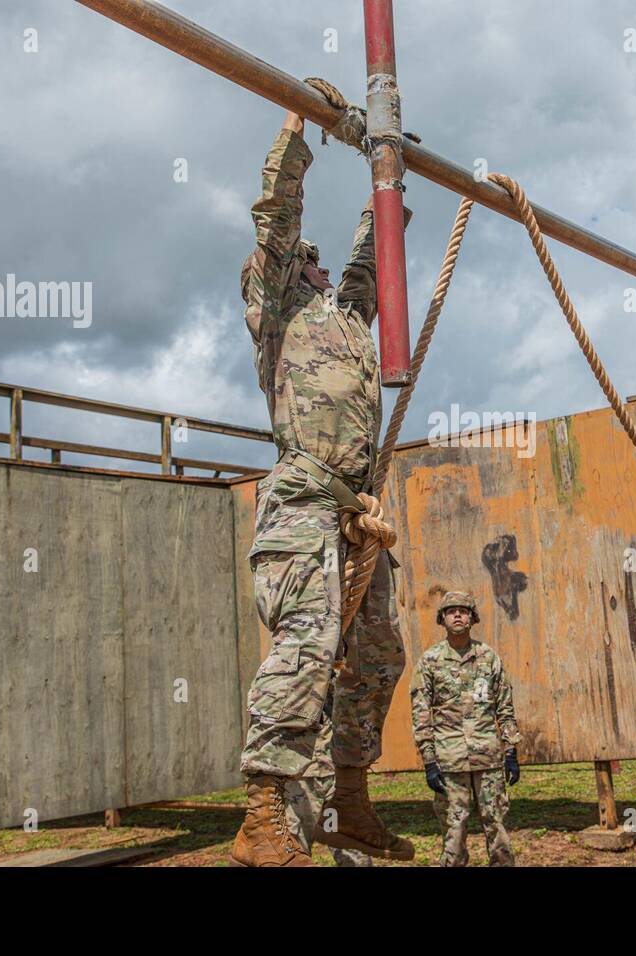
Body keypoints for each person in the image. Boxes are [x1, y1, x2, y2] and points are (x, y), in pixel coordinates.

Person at [232, 110, 413, 867]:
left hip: (354, 514)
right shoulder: (279, 315)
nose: (316, 266)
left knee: (377, 656)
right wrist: (297, 131)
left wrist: (388, 186)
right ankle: (264, 811)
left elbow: (370, 265)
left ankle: (351, 801)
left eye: (314, 261)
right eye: (304, 259)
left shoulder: (343, 318)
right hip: (305, 503)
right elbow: (276, 219)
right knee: (307, 645)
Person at [409, 591, 521, 866]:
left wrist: (510, 752)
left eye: (463, 610)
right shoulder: (430, 662)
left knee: (496, 826)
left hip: (488, 758)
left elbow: (505, 708)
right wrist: (429, 761)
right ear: (442, 619)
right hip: (449, 761)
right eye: (451, 611)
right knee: (454, 830)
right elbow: (421, 714)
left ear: (472, 618)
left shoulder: (488, 658)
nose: (457, 614)